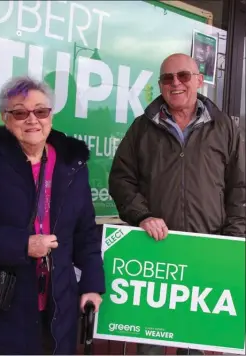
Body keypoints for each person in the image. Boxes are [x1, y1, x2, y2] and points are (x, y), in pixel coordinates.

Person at [0, 76, 105, 355]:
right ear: (5, 118)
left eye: (41, 111)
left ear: (51, 115)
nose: (32, 120)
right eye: (20, 112)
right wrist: (22, 245)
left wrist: (92, 285)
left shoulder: (72, 167)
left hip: (57, 309)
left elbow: (85, 233)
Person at [109, 53, 245, 355]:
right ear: (160, 85)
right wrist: (142, 216)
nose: (176, 83)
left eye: (183, 75)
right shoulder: (142, 128)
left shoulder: (224, 128)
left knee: (195, 347)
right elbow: (121, 180)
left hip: (206, 253)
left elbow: (239, 189)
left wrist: (233, 242)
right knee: (151, 348)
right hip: (158, 257)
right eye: (167, 78)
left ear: (199, 80)